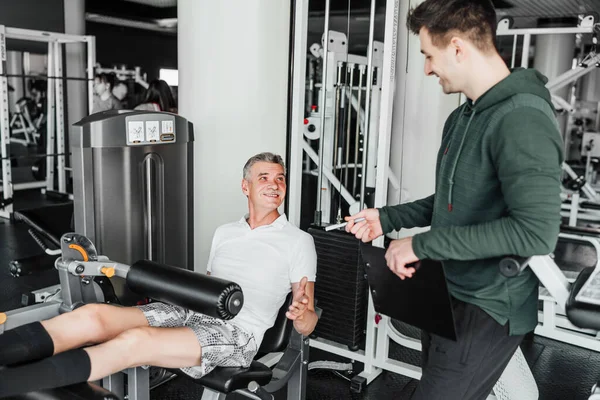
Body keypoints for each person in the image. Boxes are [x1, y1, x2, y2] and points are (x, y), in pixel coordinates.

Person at [346, 1, 563, 399]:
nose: (427, 68)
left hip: (490, 303)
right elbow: (453, 200)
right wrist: (388, 218)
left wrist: (420, 243)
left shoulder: (522, 118)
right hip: (448, 290)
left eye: (429, 55)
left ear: (458, 47)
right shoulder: (463, 117)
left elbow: (535, 232)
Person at [0, 152, 318, 397]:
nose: (275, 184)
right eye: (264, 177)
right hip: (191, 311)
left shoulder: (298, 241)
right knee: (94, 316)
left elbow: (308, 322)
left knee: (135, 342)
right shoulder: (225, 232)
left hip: (239, 334)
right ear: (245, 186)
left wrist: (302, 315)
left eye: (280, 178)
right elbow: (208, 286)